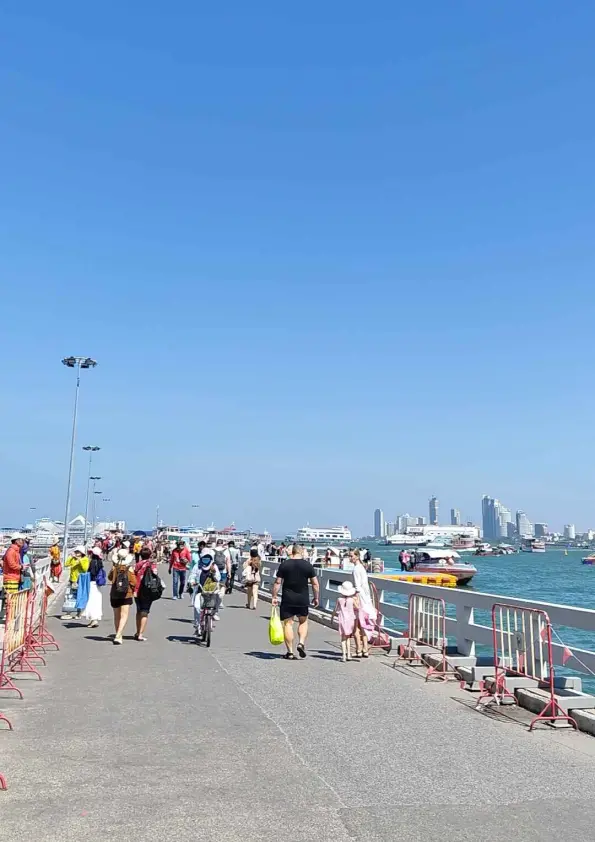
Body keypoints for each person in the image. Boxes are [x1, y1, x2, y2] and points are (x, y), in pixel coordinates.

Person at [272, 545, 319, 660]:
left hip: (287, 598)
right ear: (301, 552)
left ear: (292, 552)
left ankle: (290, 652)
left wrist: (274, 596)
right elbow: (315, 583)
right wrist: (316, 597)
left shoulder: (284, 564)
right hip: (302, 599)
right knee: (303, 622)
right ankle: (301, 643)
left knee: (288, 624)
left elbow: (278, 582)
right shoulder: (307, 565)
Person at [108, 548, 137, 644]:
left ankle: (118, 634)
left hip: (114, 593)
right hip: (126, 594)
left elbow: (110, 578)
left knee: (116, 616)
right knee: (124, 616)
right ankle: (118, 635)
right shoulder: (129, 569)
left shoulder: (114, 568)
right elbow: (134, 582)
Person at [352, 550, 376, 658]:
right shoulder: (362, 567)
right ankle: (365, 648)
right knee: (364, 624)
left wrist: (355, 598)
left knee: (357, 624)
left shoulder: (356, 569)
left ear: (357, 557)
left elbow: (357, 586)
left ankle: (359, 649)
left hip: (360, 597)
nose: (350, 558)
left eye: (351, 556)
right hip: (366, 598)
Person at [133, 547, 160, 641]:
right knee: (145, 612)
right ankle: (140, 634)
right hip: (148, 590)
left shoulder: (137, 564)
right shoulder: (152, 564)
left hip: (137, 590)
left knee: (138, 611)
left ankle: (137, 632)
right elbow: (155, 574)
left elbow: (134, 574)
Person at [331, 581, 358, 662]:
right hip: (350, 620)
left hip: (342, 619)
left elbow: (335, 609)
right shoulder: (352, 600)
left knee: (343, 638)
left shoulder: (339, 599)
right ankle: (349, 654)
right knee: (348, 637)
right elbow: (357, 607)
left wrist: (332, 618)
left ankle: (343, 656)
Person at [62, 546, 90, 620]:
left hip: (79, 580)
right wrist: (71, 557)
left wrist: (79, 560)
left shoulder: (85, 559)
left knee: (79, 596)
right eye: (76, 551)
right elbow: (66, 564)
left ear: (82, 553)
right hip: (72, 579)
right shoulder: (73, 559)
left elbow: (85, 569)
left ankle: (79, 613)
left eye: (78, 552)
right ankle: (68, 613)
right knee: (69, 596)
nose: (77, 553)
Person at [84, 546, 105, 629]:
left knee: (91, 601)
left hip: (92, 583)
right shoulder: (100, 562)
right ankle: (95, 619)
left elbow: (92, 573)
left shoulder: (93, 562)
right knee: (97, 601)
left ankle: (93, 619)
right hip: (98, 584)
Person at [213, 540, 231, 617]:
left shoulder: (212, 551)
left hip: (214, 571)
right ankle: (220, 601)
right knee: (222, 586)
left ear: (217, 544)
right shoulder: (226, 551)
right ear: (222, 544)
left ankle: (214, 600)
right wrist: (229, 572)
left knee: (214, 586)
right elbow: (228, 562)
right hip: (223, 571)